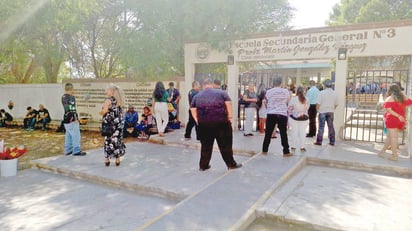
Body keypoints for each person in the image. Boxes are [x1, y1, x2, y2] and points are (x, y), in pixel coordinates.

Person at [190, 78, 242, 171]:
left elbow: (193, 110)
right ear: (212, 84)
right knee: (225, 145)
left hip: (204, 124)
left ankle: (203, 166)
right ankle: (231, 164)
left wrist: (197, 120)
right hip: (221, 123)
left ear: (203, 86)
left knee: (206, 146)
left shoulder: (197, 96)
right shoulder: (222, 93)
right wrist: (230, 117)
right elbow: (228, 104)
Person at [378, 84, 412, 161]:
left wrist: (398, 116)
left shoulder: (390, 98)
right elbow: (410, 102)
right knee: (390, 137)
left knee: (393, 138)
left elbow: (388, 110)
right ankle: (383, 151)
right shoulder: (403, 97)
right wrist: (403, 95)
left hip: (392, 120)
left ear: (390, 90)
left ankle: (394, 156)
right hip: (400, 120)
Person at [262, 77, 292, 156]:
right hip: (282, 114)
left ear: (273, 83)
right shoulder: (286, 91)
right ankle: (286, 151)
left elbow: (265, 102)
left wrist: (269, 108)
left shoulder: (268, 92)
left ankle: (264, 150)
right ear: (281, 83)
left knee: (268, 133)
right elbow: (288, 100)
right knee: (283, 133)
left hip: (271, 113)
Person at [100, 83, 126, 166]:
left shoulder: (108, 100)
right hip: (117, 124)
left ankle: (107, 159)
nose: (106, 91)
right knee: (116, 140)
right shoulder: (118, 100)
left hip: (109, 125)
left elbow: (104, 111)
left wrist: (100, 112)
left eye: (107, 90)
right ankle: (117, 159)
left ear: (111, 91)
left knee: (108, 140)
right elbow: (122, 112)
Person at [62, 82, 86, 156]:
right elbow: (72, 109)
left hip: (66, 119)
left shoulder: (63, 96)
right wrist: (76, 118)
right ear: (72, 89)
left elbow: (66, 108)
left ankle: (67, 150)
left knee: (68, 135)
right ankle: (76, 150)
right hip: (71, 119)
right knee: (76, 135)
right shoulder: (71, 97)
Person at [314, 80, 338, 146]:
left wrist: (317, 110)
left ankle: (319, 141)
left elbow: (318, 104)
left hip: (322, 111)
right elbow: (336, 104)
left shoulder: (321, 93)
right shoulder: (334, 93)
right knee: (331, 127)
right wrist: (332, 109)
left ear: (324, 85)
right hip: (331, 111)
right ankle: (332, 141)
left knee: (321, 127)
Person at [288, 86, 309, 152]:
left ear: (297, 92)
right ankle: (302, 147)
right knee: (302, 133)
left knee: (294, 132)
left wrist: (294, 113)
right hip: (304, 119)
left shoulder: (293, 99)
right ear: (303, 92)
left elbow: (289, 108)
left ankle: (293, 147)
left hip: (294, 118)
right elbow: (307, 108)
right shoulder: (306, 99)